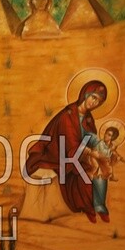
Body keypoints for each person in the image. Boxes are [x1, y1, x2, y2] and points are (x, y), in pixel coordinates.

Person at [24, 80, 108, 223]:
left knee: (99, 173)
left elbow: (90, 137)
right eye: (93, 97)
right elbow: (69, 144)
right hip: (55, 155)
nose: (94, 103)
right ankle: (88, 208)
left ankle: (99, 207)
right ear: (85, 94)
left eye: (98, 102)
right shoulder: (68, 115)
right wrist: (90, 153)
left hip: (75, 155)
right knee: (84, 178)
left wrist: (96, 152)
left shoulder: (88, 117)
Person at [90, 125, 125, 223]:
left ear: (112, 138)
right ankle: (99, 208)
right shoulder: (100, 144)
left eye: (109, 135)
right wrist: (111, 152)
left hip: (105, 170)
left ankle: (99, 208)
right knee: (99, 188)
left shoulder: (110, 145)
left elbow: (113, 154)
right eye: (107, 133)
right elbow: (103, 154)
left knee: (102, 189)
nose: (106, 136)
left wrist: (120, 158)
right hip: (98, 168)